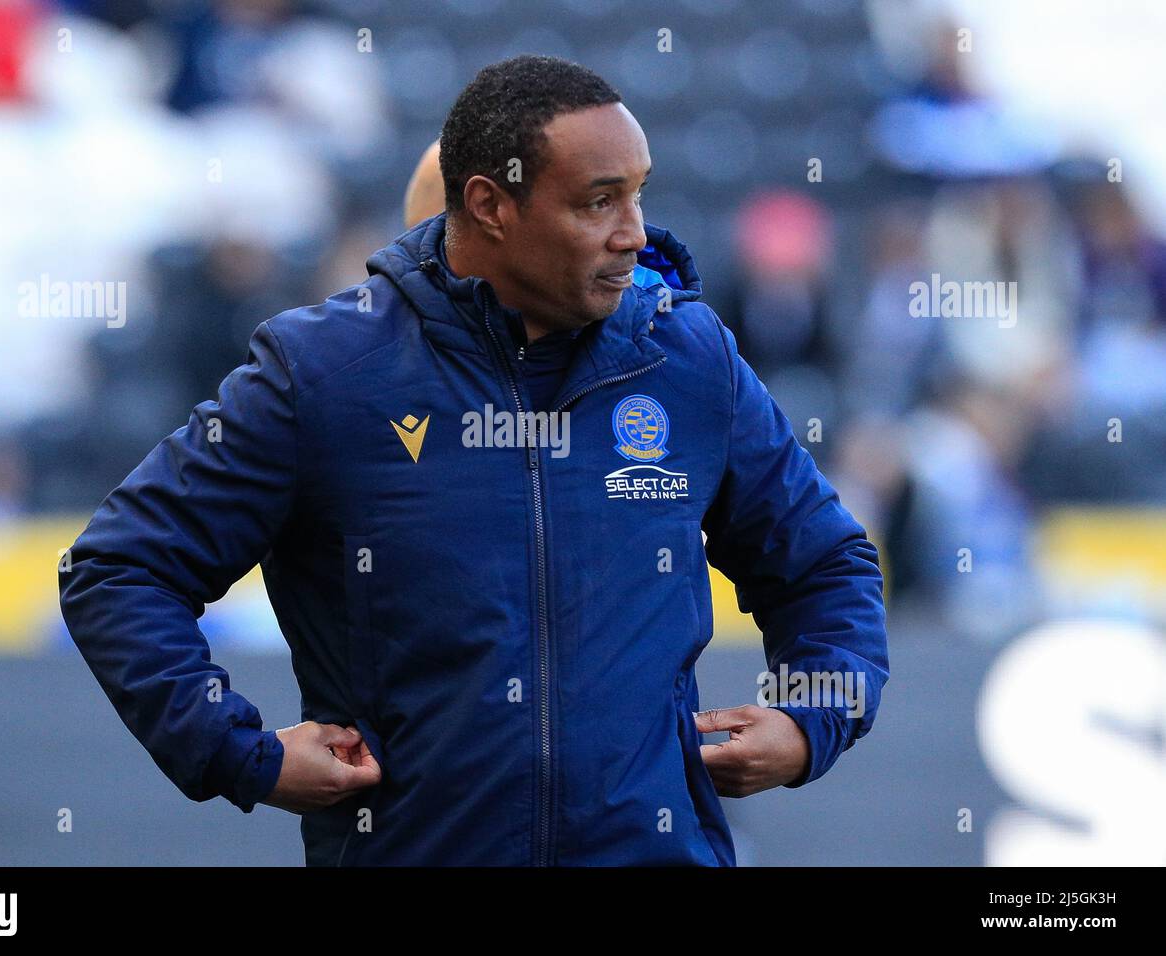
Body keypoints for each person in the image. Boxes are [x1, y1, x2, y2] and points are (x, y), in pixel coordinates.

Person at [59, 54, 889, 866]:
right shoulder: (322, 373)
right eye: (600, 202)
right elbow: (119, 569)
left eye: (638, 194)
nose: (635, 232)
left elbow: (825, 562)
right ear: (490, 205)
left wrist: (810, 717)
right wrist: (242, 753)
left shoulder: (688, 358)